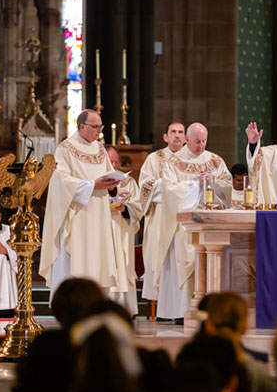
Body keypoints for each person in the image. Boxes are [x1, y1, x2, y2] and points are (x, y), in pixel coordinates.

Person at [39, 109, 124, 301]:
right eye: (95, 127)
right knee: (76, 258)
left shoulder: (101, 149)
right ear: (82, 126)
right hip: (77, 215)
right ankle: (71, 302)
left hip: (99, 214)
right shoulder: (65, 149)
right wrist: (92, 185)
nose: (99, 131)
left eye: (100, 126)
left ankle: (96, 301)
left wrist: (113, 184)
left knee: (98, 258)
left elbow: (109, 173)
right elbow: (61, 181)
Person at [156, 122, 232, 320]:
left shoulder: (215, 160)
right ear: (187, 140)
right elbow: (169, 190)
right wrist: (194, 184)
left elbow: (228, 185)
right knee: (184, 262)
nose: (201, 145)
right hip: (183, 225)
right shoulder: (173, 161)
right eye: (197, 141)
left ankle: (207, 309)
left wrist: (213, 184)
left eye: (204, 141)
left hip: (209, 223)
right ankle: (181, 312)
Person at [139, 121, 186, 303]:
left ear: (186, 137)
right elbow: (144, 185)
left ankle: (181, 306)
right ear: (165, 137)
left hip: (182, 219)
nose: (177, 135)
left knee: (179, 261)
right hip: (159, 217)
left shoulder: (190, 159)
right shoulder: (154, 158)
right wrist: (172, 188)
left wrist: (173, 189)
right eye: (173, 132)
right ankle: (159, 305)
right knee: (160, 259)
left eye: (180, 132)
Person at [106, 146, 144, 316]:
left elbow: (138, 205)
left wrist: (125, 208)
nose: (113, 165)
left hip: (122, 229)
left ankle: (126, 308)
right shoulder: (95, 181)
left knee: (124, 265)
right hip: (104, 230)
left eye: (116, 161)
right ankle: (105, 305)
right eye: (110, 161)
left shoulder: (128, 182)